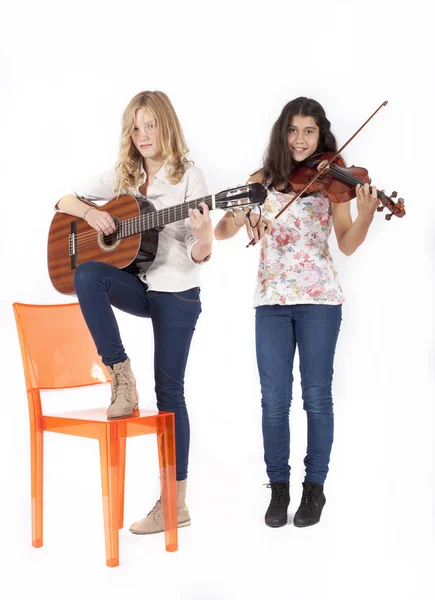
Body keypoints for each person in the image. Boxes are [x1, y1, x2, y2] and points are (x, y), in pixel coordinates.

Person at [214, 96, 380, 528]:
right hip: (270, 301)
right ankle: (278, 488)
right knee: (273, 402)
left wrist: (365, 216)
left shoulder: (331, 181)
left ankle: (315, 488)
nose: (300, 139)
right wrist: (243, 216)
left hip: (320, 300)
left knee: (317, 398)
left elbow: (346, 243)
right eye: (293, 130)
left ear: (320, 135)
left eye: (309, 131)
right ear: (281, 133)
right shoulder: (261, 179)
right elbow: (223, 229)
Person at [56, 90, 213, 535]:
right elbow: (63, 201)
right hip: (141, 286)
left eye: (151, 125)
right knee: (87, 274)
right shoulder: (123, 176)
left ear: (166, 126)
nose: (143, 135)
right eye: (136, 127)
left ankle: (174, 504)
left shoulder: (190, 176)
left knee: (170, 393)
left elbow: (199, 253)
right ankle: (120, 373)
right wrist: (91, 215)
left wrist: (204, 239)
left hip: (177, 292)